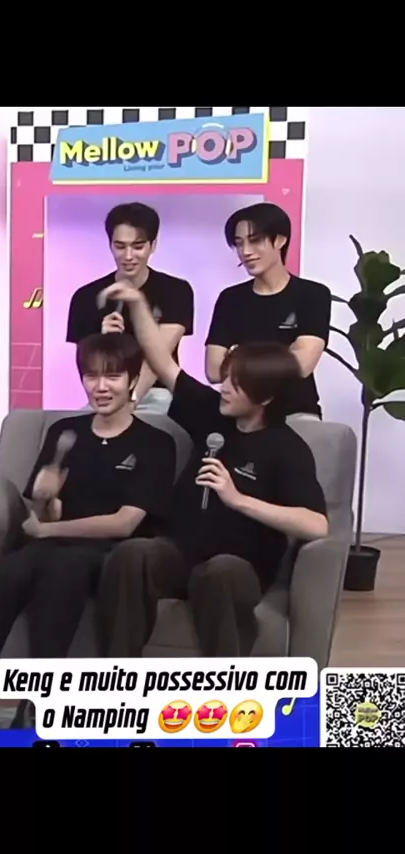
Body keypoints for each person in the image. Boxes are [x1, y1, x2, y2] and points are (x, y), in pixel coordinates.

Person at [0, 333, 176, 730]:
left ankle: (38, 697)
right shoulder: (66, 431)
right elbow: (44, 516)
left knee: (62, 574)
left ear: (133, 380)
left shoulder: (155, 443)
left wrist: (47, 530)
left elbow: (125, 521)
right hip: (53, 542)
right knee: (2, 574)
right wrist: (46, 499)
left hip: (108, 550)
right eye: (91, 376)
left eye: (113, 376)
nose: (101, 387)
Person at [94, 281, 329, 659]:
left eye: (236, 383)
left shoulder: (287, 448)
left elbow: (316, 524)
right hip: (181, 552)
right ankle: (118, 674)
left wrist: (238, 499)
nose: (224, 388)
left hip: (239, 566)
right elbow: (162, 361)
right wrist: (138, 304)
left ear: (266, 396)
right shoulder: (212, 415)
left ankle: (223, 685)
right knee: (133, 554)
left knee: (220, 572)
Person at [205, 203, 331, 421]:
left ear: (280, 240)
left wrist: (237, 356)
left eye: (255, 240)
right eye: (239, 243)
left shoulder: (313, 294)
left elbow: (302, 365)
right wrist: (284, 354)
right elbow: (214, 370)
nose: (245, 251)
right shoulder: (230, 298)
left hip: (296, 412)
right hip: (242, 414)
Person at [66, 202, 194, 414]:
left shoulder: (176, 290)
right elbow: (87, 365)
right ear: (110, 245)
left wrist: (131, 400)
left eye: (137, 246)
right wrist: (103, 341)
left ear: (153, 245)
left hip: (158, 393)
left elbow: (158, 359)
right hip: (108, 394)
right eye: (120, 246)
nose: (128, 256)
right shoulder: (87, 296)